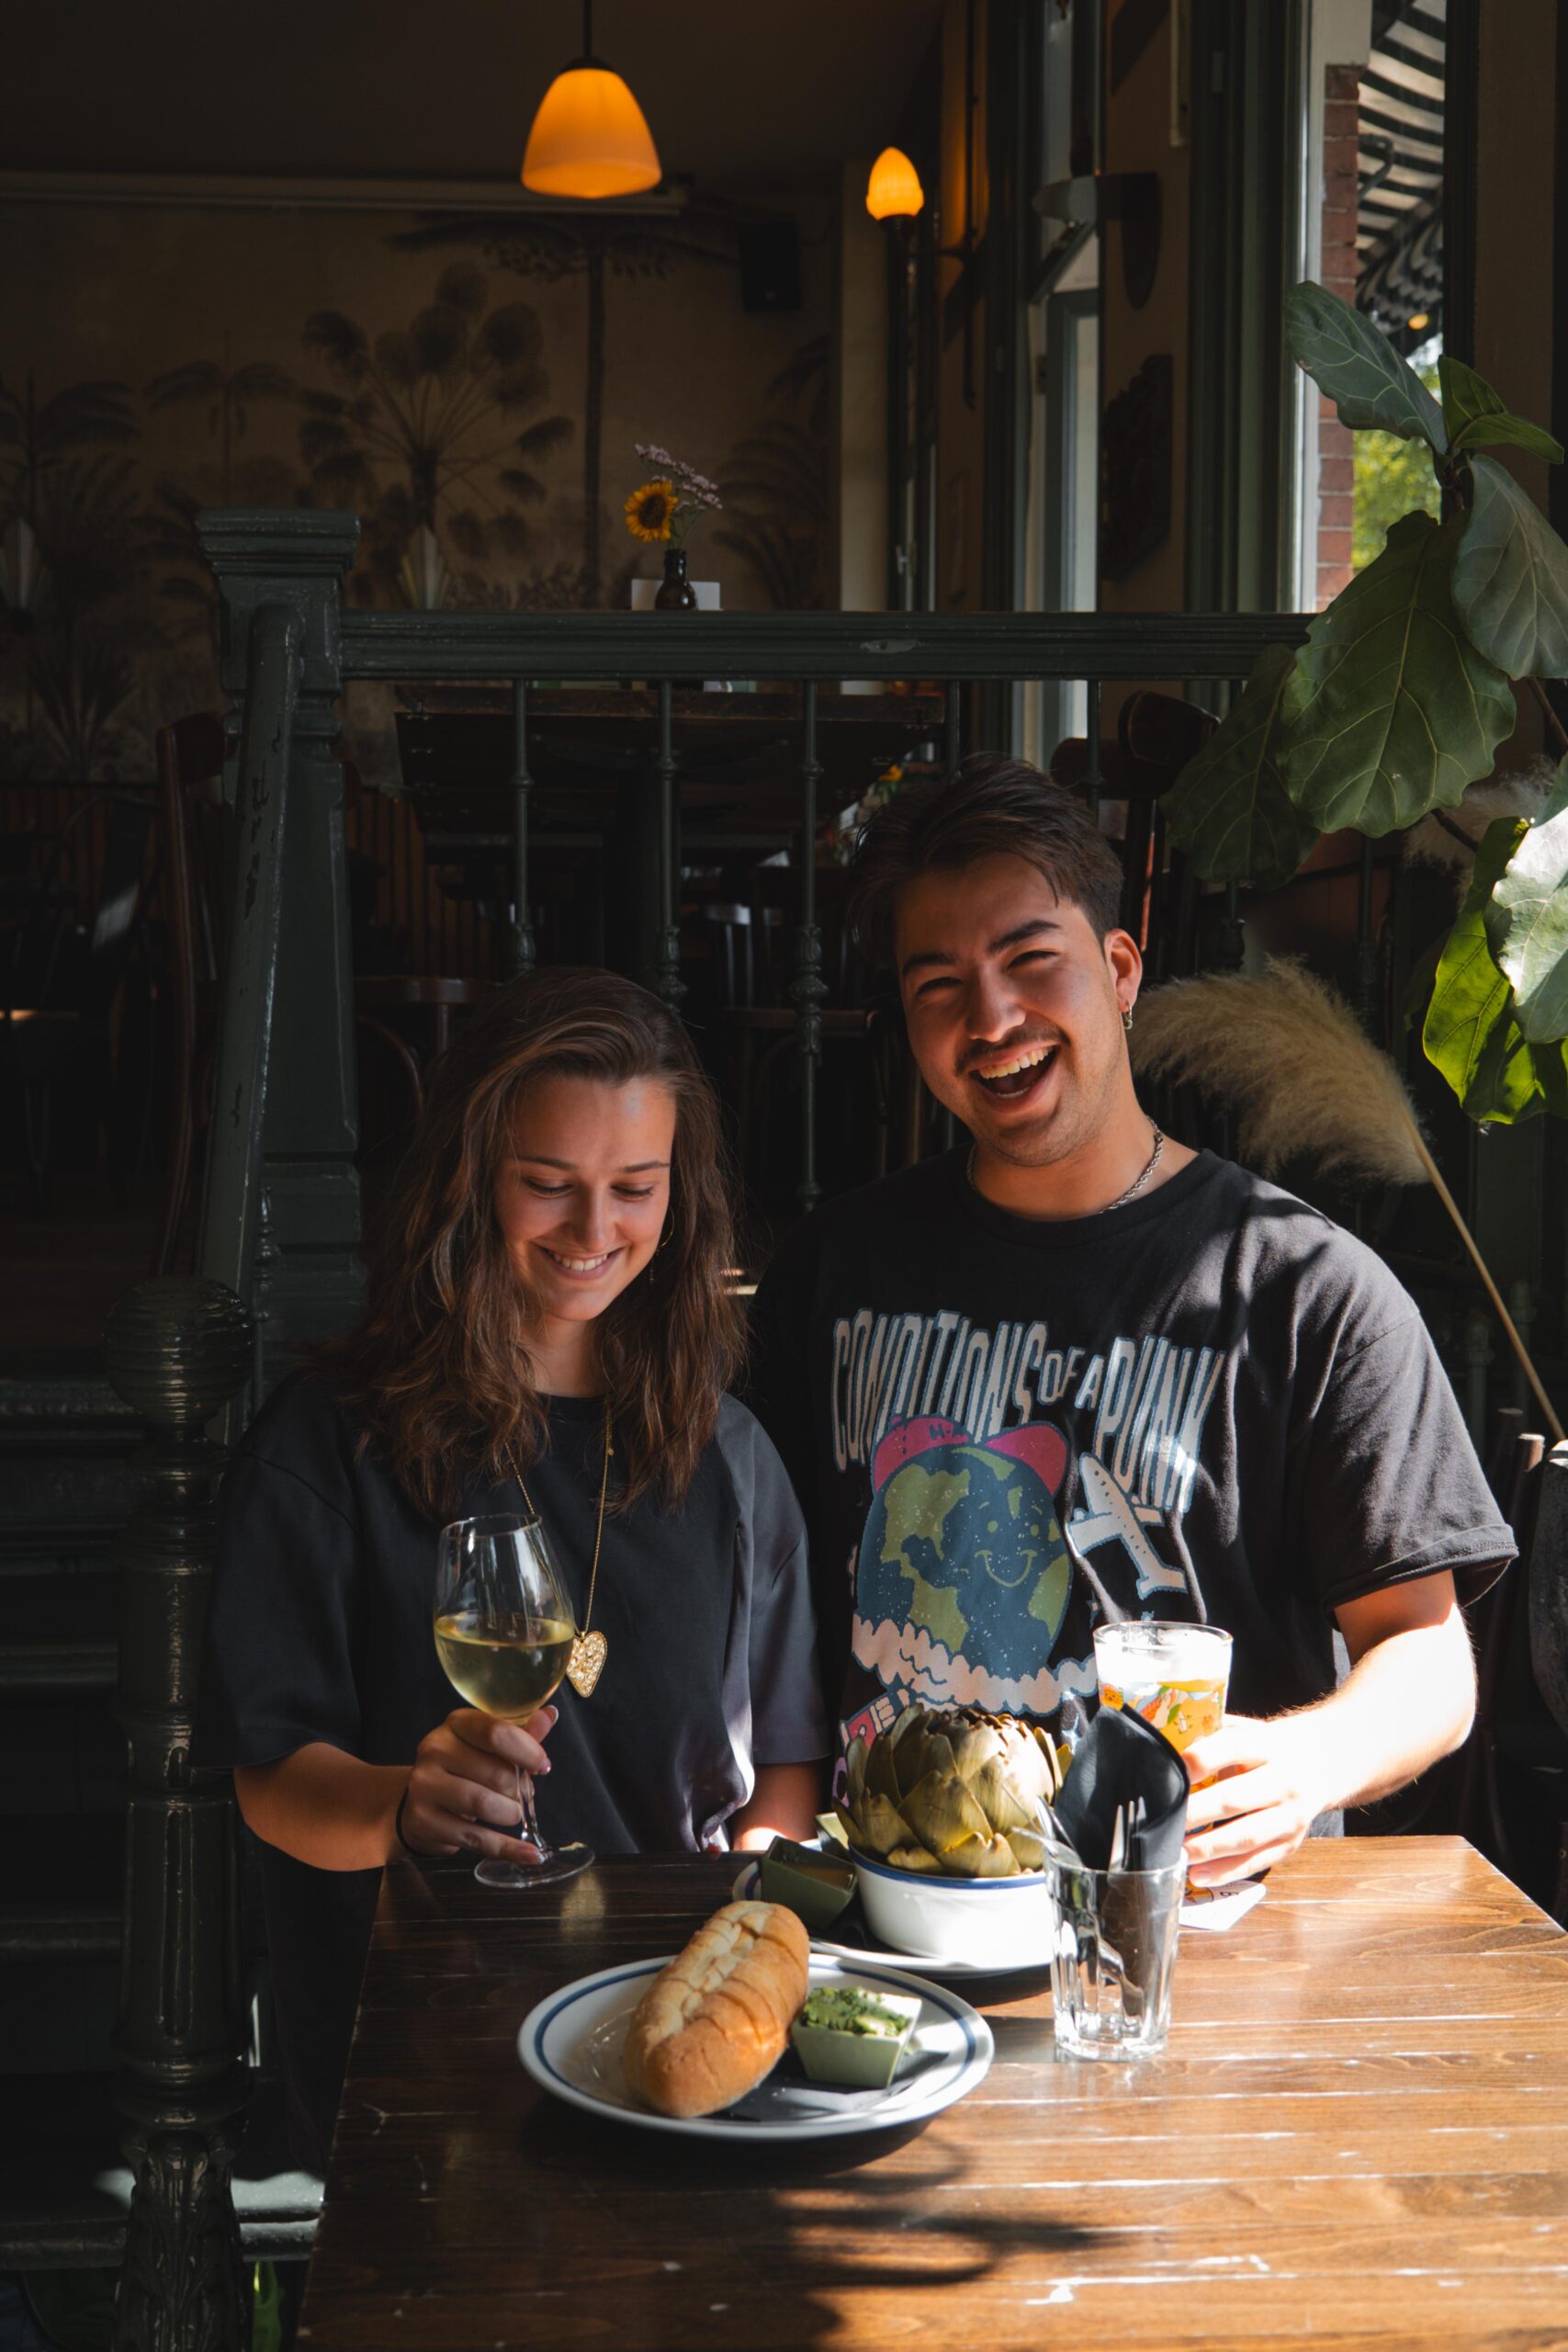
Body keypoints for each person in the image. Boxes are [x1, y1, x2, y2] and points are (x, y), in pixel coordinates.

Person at [749, 756, 1513, 1891]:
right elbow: (759, 1609)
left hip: (1195, 1921)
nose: (991, 1019)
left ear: (1118, 971)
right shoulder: (832, 1269)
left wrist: (1306, 1762)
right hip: (898, 1915)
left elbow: (1429, 1655)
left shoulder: (1307, 1290)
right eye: (939, 985)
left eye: (1030, 962)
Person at [197, 967, 827, 2169]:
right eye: (547, 1183)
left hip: (668, 2041)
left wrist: (742, 1918)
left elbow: (788, 1761)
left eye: (633, 1188)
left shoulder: (729, 1454)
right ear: (471, 1176)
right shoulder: (329, 1444)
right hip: (421, 2064)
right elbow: (270, 1776)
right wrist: (402, 1806)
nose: (594, 1232)